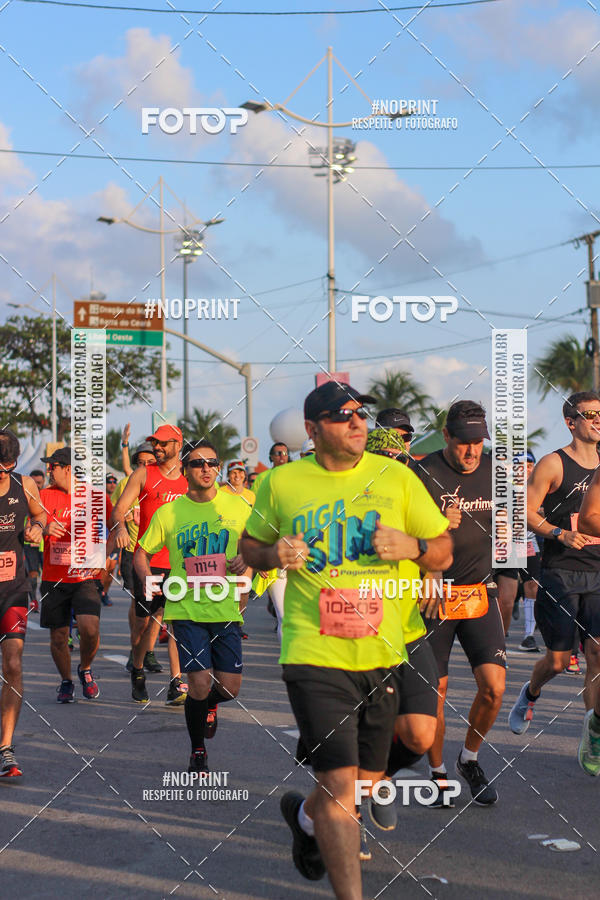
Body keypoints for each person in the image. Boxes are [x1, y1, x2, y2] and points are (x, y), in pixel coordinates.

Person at [240, 381, 451, 900]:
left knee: (364, 781)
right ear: (312, 430)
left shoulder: (396, 478)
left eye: (360, 414)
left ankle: (306, 819)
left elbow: (444, 549)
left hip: (384, 650)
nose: (357, 422)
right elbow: (250, 546)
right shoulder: (282, 483)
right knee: (340, 786)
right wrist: (275, 553)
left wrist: (415, 546)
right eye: (342, 415)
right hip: (314, 652)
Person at [135, 440, 251, 773]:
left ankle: (210, 705)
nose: (205, 469)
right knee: (198, 682)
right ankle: (197, 751)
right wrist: (147, 578)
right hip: (186, 609)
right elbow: (142, 552)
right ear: (185, 470)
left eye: (212, 463)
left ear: (219, 468)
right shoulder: (169, 512)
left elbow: (257, 543)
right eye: (198, 463)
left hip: (226, 608)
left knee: (229, 688)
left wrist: (247, 557)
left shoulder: (238, 507)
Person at [414, 400, 505, 806]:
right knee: (436, 692)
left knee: (494, 688)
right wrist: (436, 527)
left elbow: (510, 524)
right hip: (433, 595)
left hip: (479, 592)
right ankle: (437, 775)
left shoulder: (495, 472)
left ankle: (469, 758)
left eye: (479, 442)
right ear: (447, 435)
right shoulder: (423, 473)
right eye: (464, 442)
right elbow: (397, 532)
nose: (472, 451)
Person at [508, 393, 600, 775]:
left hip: (599, 569)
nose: (598, 420)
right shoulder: (553, 463)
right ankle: (531, 692)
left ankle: (593, 733)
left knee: (596, 653)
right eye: (590, 414)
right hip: (561, 570)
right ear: (570, 421)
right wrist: (559, 533)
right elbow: (525, 511)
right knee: (559, 661)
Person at [110, 424, 188, 704]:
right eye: (155, 442)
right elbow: (119, 509)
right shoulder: (144, 474)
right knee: (145, 624)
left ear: (178, 445)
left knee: (177, 622)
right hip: (147, 561)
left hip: (180, 563)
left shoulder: (189, 477)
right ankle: (138, 668)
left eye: (164, 443)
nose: (157, 447)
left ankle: (176, 682)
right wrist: (121, 527)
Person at [39, 447, 110, 702]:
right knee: (59, 636)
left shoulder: (96, 496)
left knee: (90, 629)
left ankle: (85, 668)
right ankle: (66, 680)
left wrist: (105, 555)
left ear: (68, 469)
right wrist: (44, 528)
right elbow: (33, 524)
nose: (49, 470)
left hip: (85, 576)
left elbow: (115, 525)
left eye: (53, 466)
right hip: (54, 576)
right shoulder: (44, 495)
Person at [0, 430, 46, 776]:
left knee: (13, 664)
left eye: (6, 470)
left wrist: (38, 527)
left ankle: (5, 748)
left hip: (13, 589)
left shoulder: (25, 484)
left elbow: (40, 514)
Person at [110, 441, 157, 671]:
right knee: (138, 605)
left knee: (158, 608)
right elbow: (114, 512)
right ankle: (136, 648)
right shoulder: (126, 483)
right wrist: (123, 520)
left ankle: (149, 652)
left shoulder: (164, 483)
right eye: (141, 462)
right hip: (133, 550)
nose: (145, 466)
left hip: (160, 552)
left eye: (150, 462)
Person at [496, 450, 541, 650]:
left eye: (529, 466)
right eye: (521, 466)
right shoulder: (504, 486)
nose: (526, 470)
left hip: (527, 542)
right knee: (504, 596)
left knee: (533, 587)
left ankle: (528, 636)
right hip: (505, 545)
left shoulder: (539, 486)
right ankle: (495, 635)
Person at [24, 469, 46, 613]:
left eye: (39, 482)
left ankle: (47, 600)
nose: (36, 485)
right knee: (32, 573)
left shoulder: (47, 495)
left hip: (46, 543)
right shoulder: (25, 495)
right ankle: (33, 601)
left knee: (47, 575)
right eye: (34, 482)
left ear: (43, 482)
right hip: (30, 542)